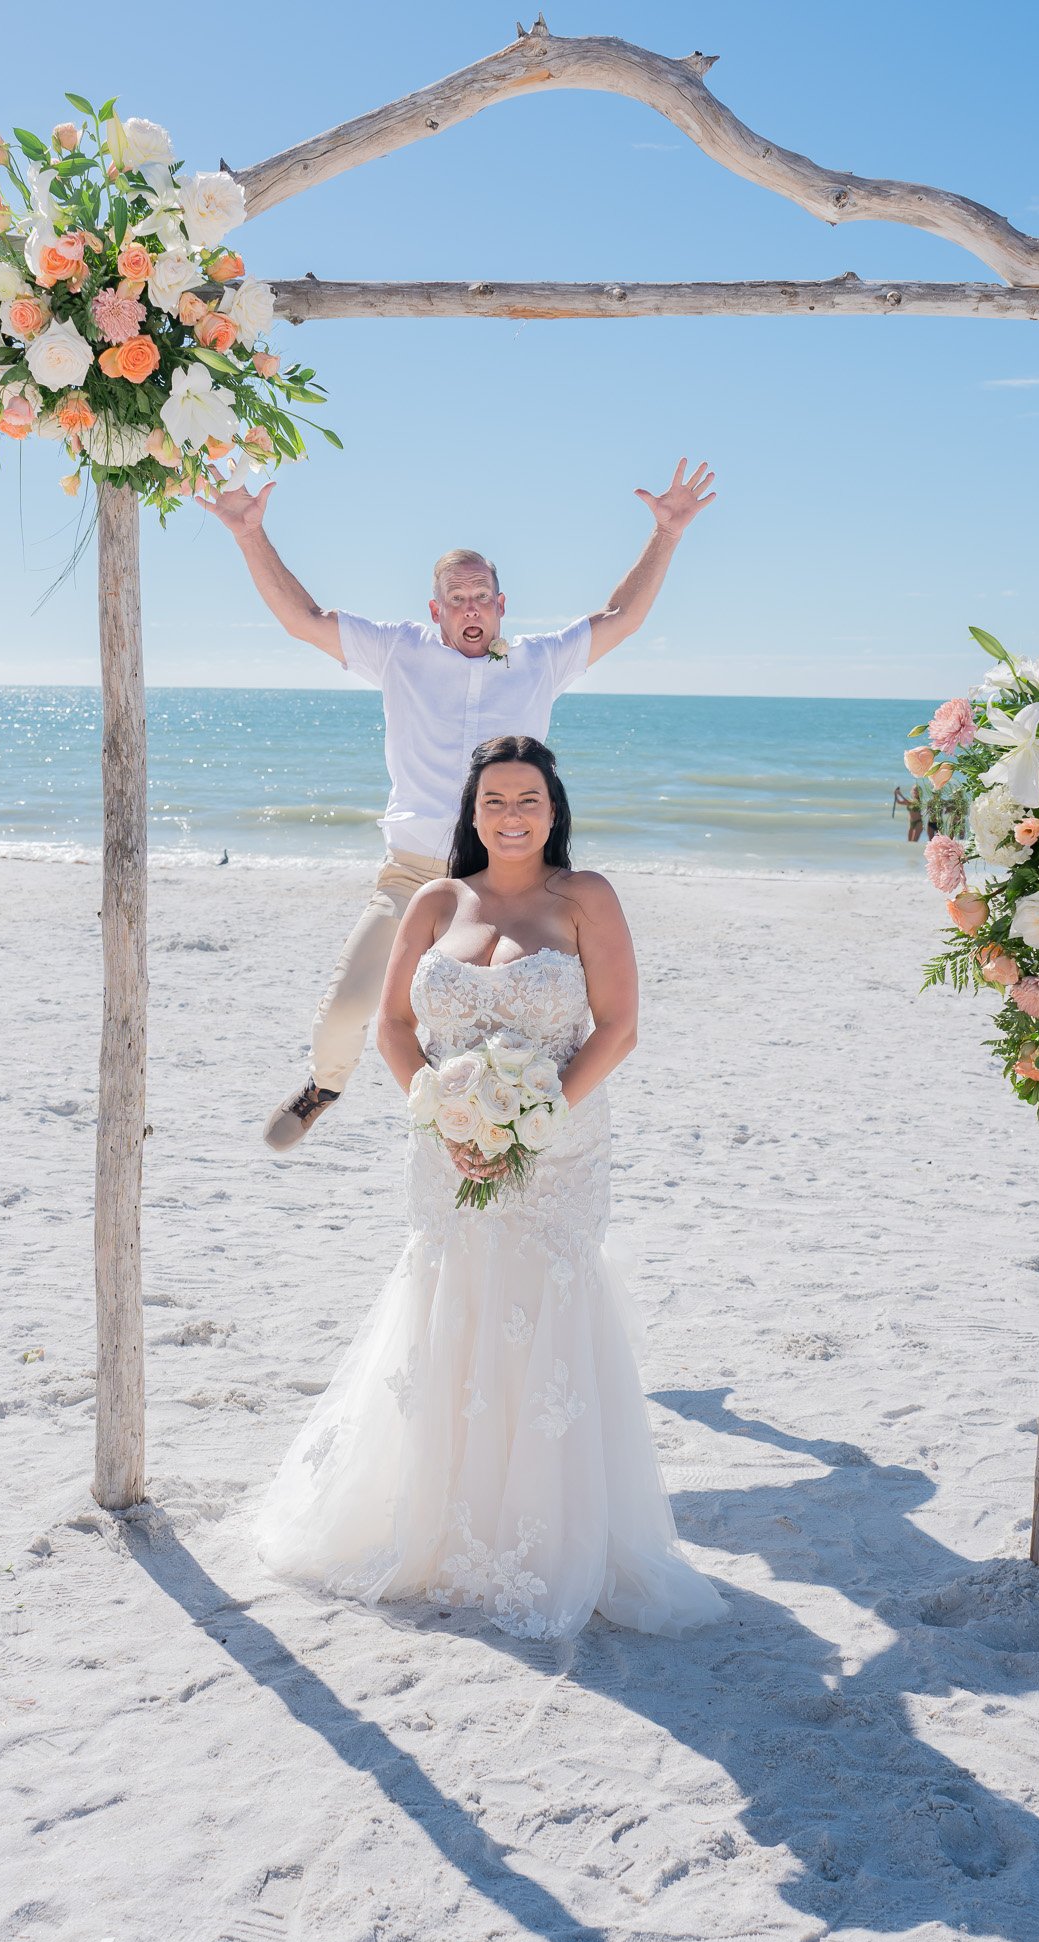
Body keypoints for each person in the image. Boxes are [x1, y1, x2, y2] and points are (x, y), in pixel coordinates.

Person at [255, 735, 728, 1643]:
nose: (511, 815)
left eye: (529, 800)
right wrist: (445, 1119)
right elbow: (395, 1026)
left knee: (543, 1306)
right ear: (471, 814)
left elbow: (619, 1027)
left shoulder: (585, 897)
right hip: (445, 1147)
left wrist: (532, 1120)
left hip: (560, 1145)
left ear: (554, 811)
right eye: (495, 800)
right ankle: (432, 1521)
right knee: (450, 1297)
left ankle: (540, 1535)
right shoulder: (436, 900)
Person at [200, 461, 716, 1150]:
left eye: (482, 596)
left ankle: (521, 1118)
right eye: (457, 598)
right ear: (435, 609)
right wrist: (248, 534)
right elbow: (304, 619)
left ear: (502, 605)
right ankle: (327, 1084)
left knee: (543, 1015)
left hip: (515, 881)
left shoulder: (539, 661)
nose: (471, 608)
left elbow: (619, 618)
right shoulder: (397, 652)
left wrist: (666, 534)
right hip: (415, 876)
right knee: (345, 1011)